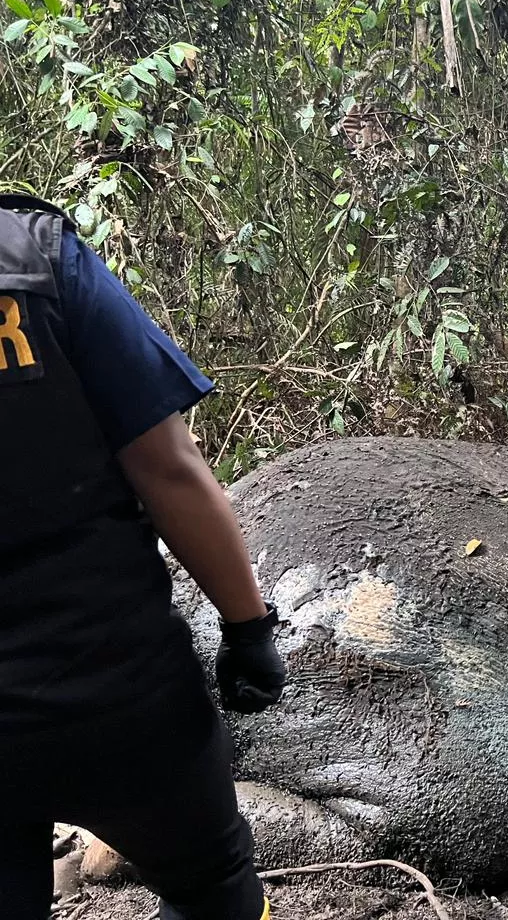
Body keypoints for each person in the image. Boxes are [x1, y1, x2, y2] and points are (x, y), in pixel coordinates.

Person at [0, 195, 286, 919]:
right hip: (118, 689)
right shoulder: (32, 257)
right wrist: (247, 630)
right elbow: (169, 467)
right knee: (214, 890)